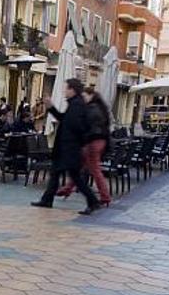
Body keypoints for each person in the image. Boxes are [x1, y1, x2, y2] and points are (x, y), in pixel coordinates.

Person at [31, 78, 101, 215]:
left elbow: (75, 126)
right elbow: (65, 119)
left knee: (75, 177)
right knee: (55, 173)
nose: (64, 91)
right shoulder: (74, 104)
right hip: (65, 148)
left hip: (69, 149)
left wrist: (73, 143)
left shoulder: (77, 105)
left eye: (66, 88)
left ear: (72, 90)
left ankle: (93, 201)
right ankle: (47, 199)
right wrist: (51, 107)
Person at [55, 88, 112, 206]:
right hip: (99, 141)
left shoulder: (92, 109)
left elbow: (86, 125)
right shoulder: (99, 108)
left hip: (93, 141)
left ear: (91, 95)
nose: (83, 99)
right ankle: (67, 189)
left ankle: (105, 196)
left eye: (85, 96)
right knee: (79, 166)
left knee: (94, 169)